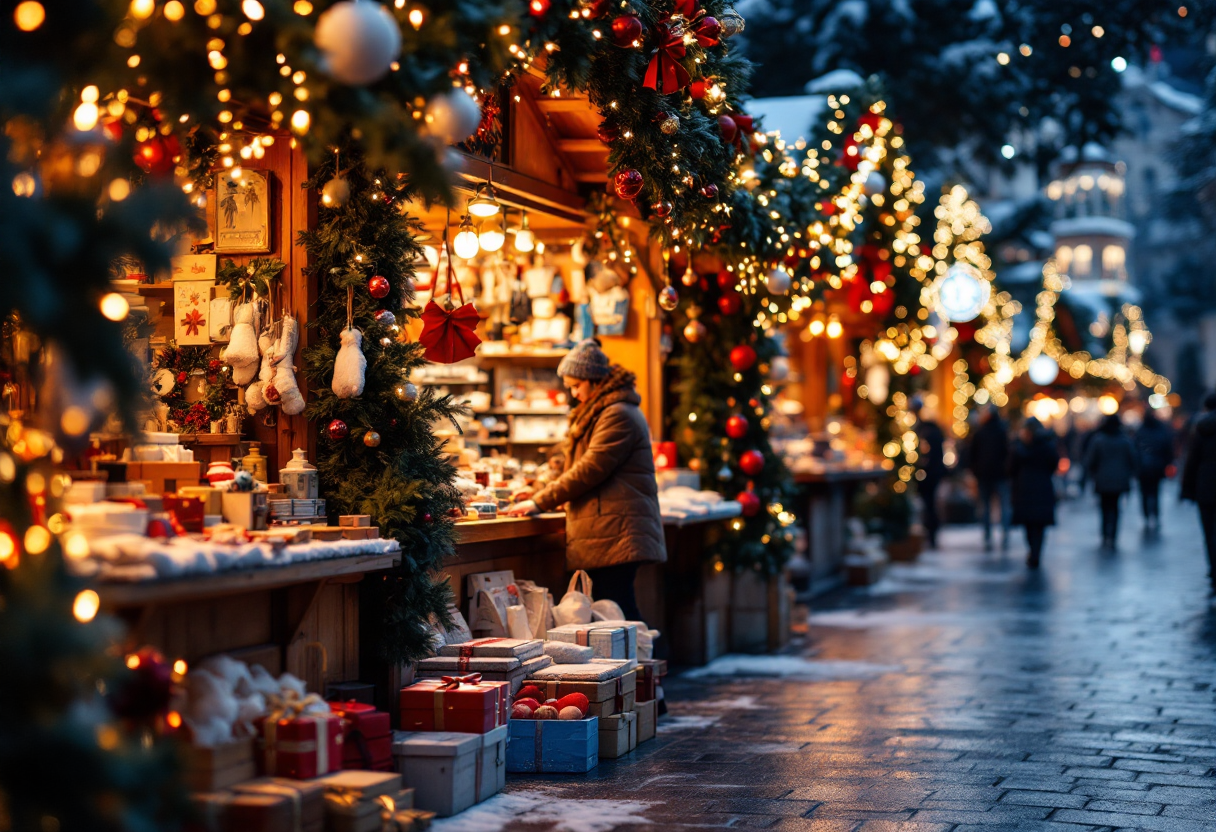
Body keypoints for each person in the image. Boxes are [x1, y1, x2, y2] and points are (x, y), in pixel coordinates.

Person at [505, 339, 666, 619]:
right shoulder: (597, 412)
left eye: (576, 385)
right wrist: (536, 489)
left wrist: (540, 502)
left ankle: (647, 662)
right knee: (612, 610)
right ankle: (642, 661)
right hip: (608, 529)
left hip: (617, 530)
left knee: (616, 609)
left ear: (593, 380)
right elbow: (569, 463)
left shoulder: (618, 414)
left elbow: (589, 469)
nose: (573, 393)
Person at [1010, 416, 1059, 569]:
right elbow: (1053, 464)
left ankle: (1033, 551)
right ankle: (1036, 552)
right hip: (1042, 488)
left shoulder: (1020, 448)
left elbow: (1011, 468)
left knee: (1029, 524)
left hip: (1025, 489)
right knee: (1039, 525)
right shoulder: (1047, 447)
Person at [1084, 413, 1138, 550]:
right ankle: (1113, 534)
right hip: (1119, 481)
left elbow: (1090, 460)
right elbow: (1133, 459)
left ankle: (1105, 534)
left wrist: (1092, 474)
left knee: (1104, 507)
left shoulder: (1098, 440)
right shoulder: (1124, 440)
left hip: (1102, 480)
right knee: (1115, 507)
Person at [1181, 392, 1216, 593]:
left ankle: (1213, 569)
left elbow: (1192, 461)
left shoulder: (1201, 428)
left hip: (1206, 486)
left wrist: (1187, 488)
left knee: (1208, 530)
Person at [969, 405, 1011, 550]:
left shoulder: (980, 432)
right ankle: (1005, 533)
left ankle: (988, 535)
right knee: (1003, 506)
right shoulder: (1002, 431)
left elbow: (972, 454)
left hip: (985, 475)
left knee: (986, 507)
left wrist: (976, 471)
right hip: (999, 474)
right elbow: (1008, 452)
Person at [910, 397, 946, 548]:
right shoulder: (934, 431)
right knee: (930, 504)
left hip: (927, 473)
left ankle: (931, 534)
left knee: (928, 504)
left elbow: (928, 455)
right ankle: (931, 534)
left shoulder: (923, 432)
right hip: (934, 473)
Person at [1134, 409, 1175, 532]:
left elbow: (1135, 449)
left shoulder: (1140, 430)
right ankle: (1154, 515)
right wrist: (1168, 462)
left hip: (1144, 468)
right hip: (1157, 467)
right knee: (1155, 492)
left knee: (1145, 493)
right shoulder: (1161, 430)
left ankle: (1147, 515)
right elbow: (1167, 448)